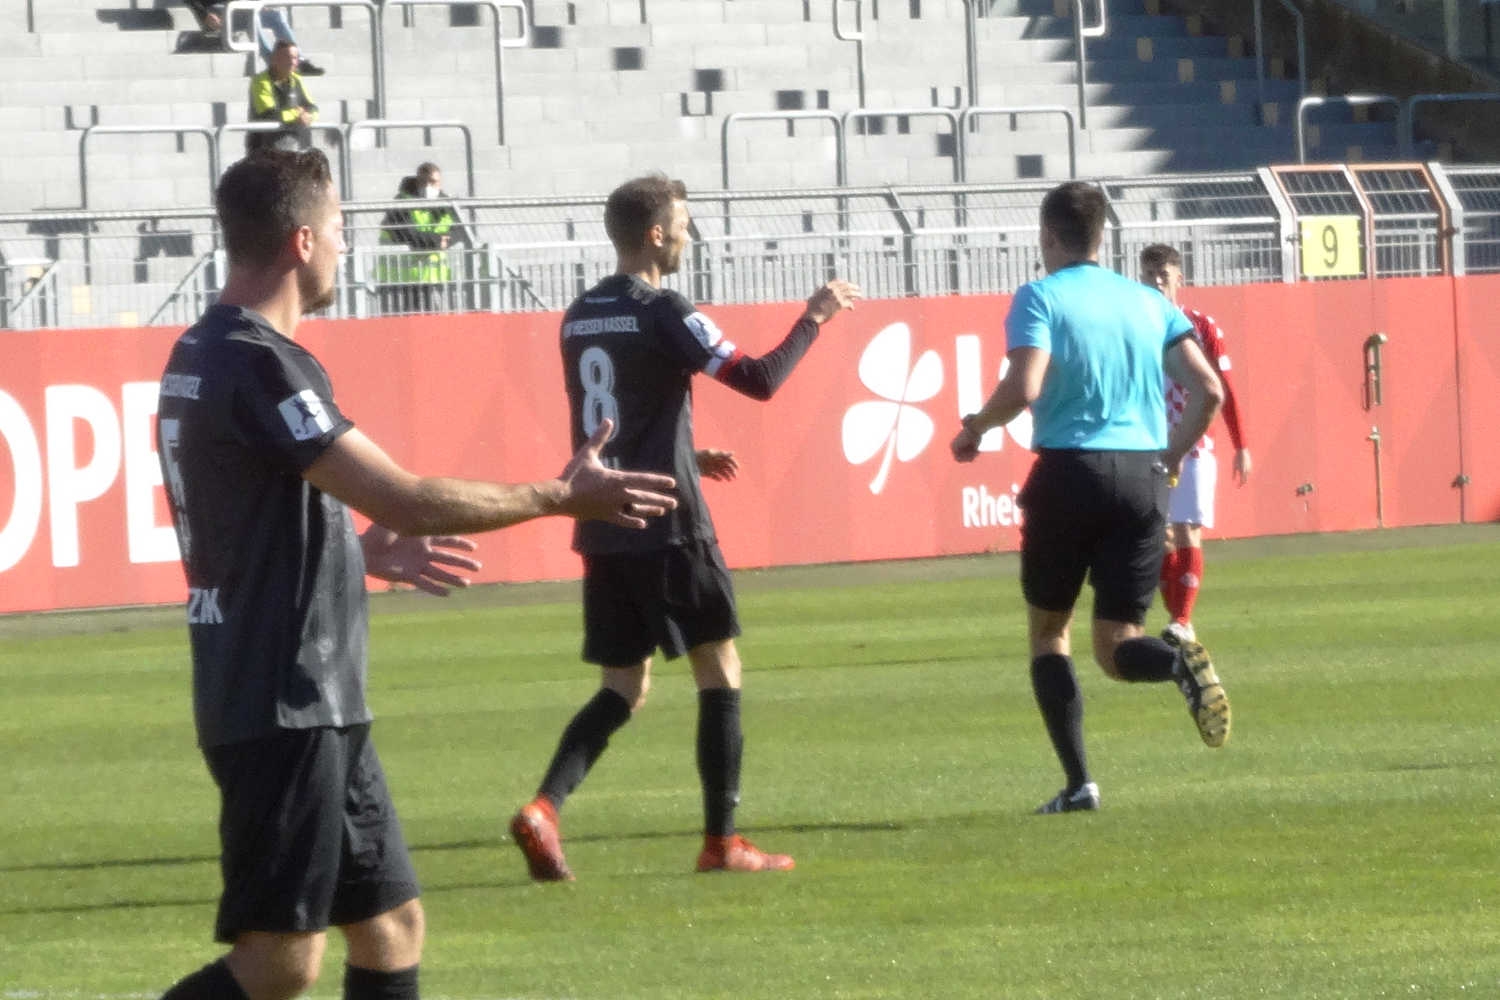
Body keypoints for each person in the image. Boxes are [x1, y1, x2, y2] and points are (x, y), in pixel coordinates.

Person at [153, 148, 678, 1000]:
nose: (343, 248)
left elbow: (246, 526)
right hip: (280, 701)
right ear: (299, 241)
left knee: (391, 929)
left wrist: (353, 555)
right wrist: (558, 495)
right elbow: (411, 499)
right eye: (336, 231)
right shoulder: (258, 359)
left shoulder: (206, 351)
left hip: (311, 693)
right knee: (280, 964)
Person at [508, 173, 861, 880]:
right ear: (656, 234)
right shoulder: (662, 307)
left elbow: (610, 416)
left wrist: (684, 452)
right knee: (719, 670)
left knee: (622, 688)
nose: (691, 235)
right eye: (684, 223)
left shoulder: (578, 314)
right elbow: (759, 378)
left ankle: (544, 808)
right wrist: (814, 318)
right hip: (669, 526)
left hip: (604, 519)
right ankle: (722, 843)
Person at [949, 181, 1230, 816]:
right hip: (1142, 478)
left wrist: (974, 427)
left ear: (1049, 236)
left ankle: (1080, 784)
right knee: (1117, 644)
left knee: (1051, 633)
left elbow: (1024, 386)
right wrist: (1170, 458)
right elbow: (1209, 390)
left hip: (1070, 472)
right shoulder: (1147, 301)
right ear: (1101, 236)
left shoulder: (1040, 297)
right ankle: (1177, 666)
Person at [1138, 244, 1252, 646]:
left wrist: (1241, 443)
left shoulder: (1200, 326)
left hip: (1193, 442)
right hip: (1145, 442)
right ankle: (1178, 622)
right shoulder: (1132, 327)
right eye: (1149, 274)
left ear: (1178, 280)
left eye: (1163, 275)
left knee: (1186, 528)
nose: (1155, 281)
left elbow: (1223, 388)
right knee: (1154, 537)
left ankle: (1182, 620)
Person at [376, 164, 464, 314]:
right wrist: (438, 241)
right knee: (401, 321)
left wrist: (445, 240)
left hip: (433, 278)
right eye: (424, 182)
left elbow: (459, 231)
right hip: (400, 278)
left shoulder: (446, 204)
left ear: (440, 182)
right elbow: (407, 234)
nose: (429, 187)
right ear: (417, 182)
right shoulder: (402, 203)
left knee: (434, 320)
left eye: (433, 182)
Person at [183, 1, 327, 74]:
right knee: (251, 16)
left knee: (277, 16)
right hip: (216, 11)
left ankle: (298, 60)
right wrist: (204, 14)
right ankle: (273, 62)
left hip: (240, 6)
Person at [246, 40, 318, 154]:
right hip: (264, 151)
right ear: (275, 59)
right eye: (287, 57)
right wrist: (297, 114)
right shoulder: (260, 81)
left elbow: (313, 107)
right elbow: (269, 114)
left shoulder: (296, 79)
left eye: (295, 58)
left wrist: (308, 115)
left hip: (295, 149)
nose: (292, 62)